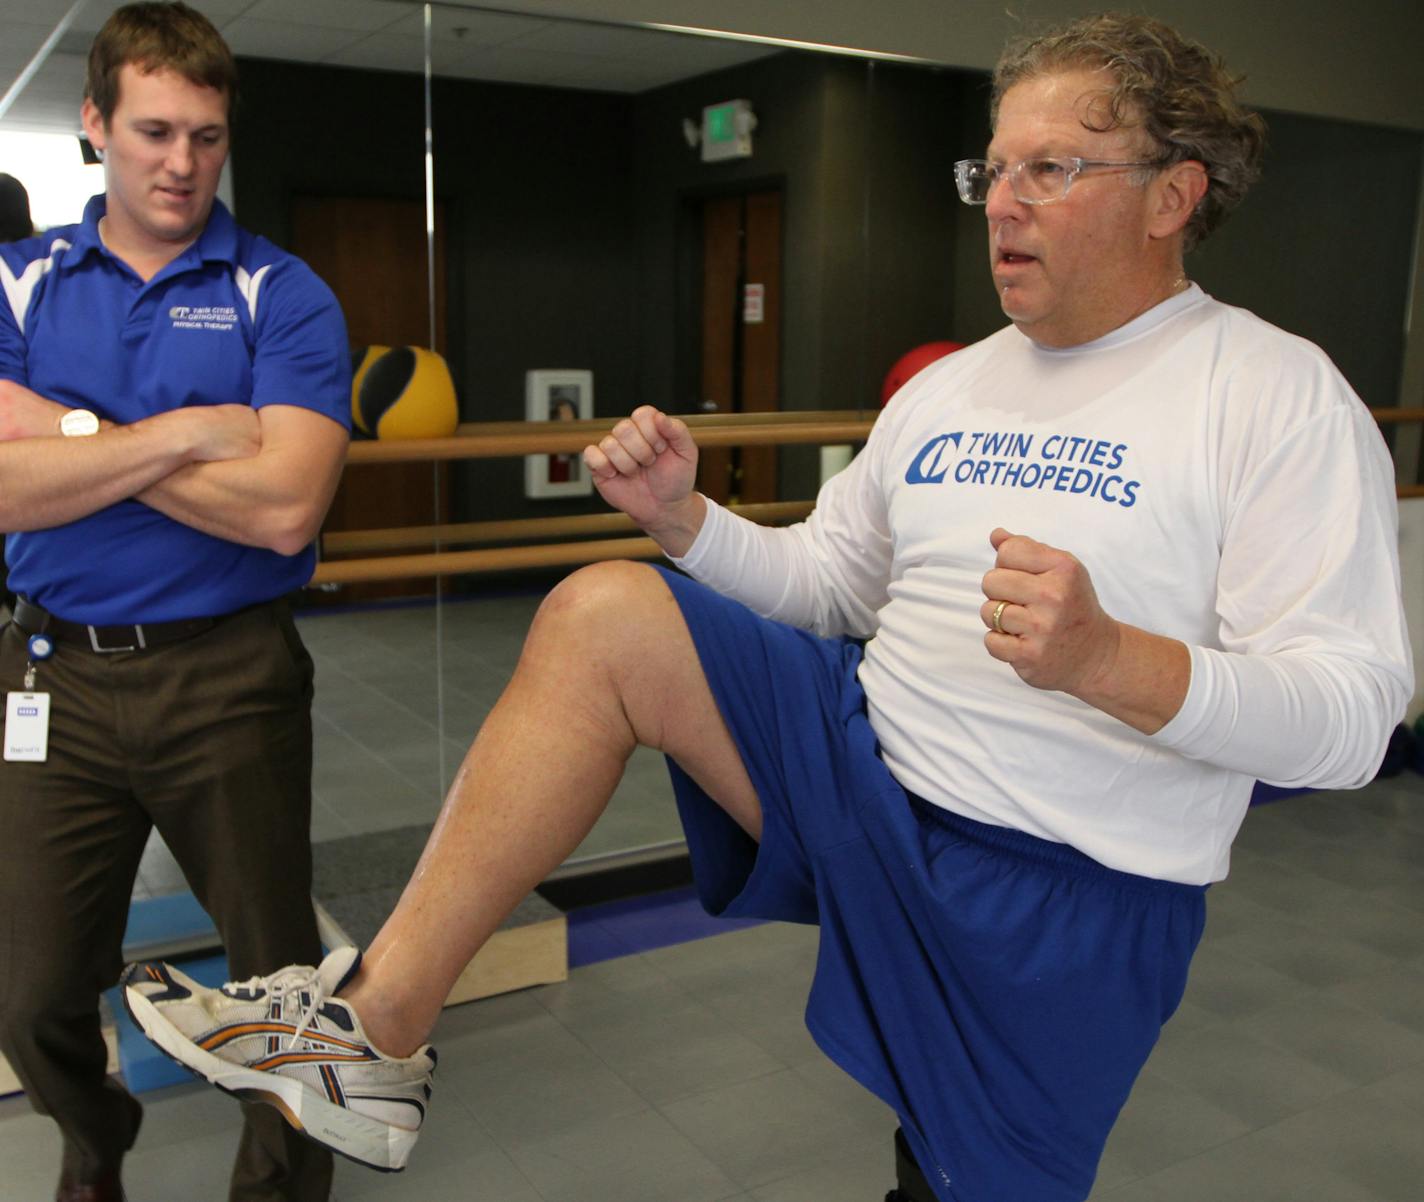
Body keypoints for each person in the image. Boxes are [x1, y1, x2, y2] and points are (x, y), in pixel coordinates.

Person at [122, 12, 1412, 1202]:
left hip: (1061, 891)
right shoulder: (949, 387)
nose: (1001, 203)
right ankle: (376, 1027)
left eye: (1050, 170)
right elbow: (834, 589)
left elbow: (1350, 718)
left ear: (1171, 196)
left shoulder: (1271, 395)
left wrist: (1108, 658)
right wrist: (690, 520)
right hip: (858, 772)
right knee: (609, 610)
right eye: (990, 172)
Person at [0, 4, 351, 1200]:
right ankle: (94, 1142)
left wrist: (72, 440)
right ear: (95, 125)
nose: (181, 163)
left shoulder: (281, 292)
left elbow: (284, 510)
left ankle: (279, 1188)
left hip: (230, 675)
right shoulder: (19, 281)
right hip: (55, 678)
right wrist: (187, 435)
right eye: (152, 131)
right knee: (31, 988)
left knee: (277, 982)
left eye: (205, 135)